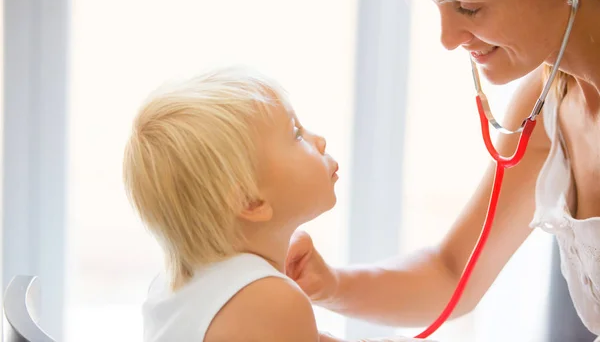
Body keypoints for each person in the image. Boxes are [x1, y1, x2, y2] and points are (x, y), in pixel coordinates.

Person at [285, 0, 600, 339]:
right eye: (437, 4)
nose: (447, 38)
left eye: (468, 8)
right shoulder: (551, 99)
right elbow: (452, 274)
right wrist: (324, 283)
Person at [122, 68, 433, 342]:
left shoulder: (173, 284)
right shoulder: (271, 300)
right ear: (251, 201)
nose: (319, 140)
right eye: (296, 134)